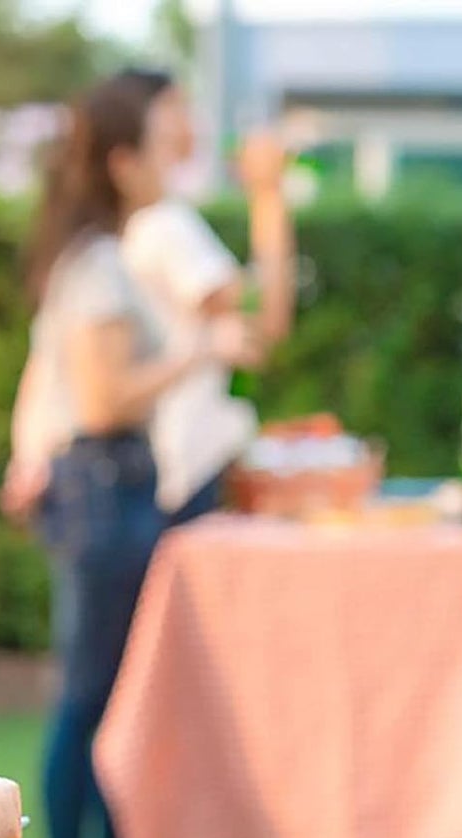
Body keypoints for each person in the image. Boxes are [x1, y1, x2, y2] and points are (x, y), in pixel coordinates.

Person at [5, 71, 258, 838]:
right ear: (120, 161)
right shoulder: (100, 264)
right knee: (87, 692)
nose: (174, 156)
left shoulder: (98, 256)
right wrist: (198, 348)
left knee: (115, 690)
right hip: (101, 487)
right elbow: (107, 397)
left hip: (115, 487)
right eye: (160, 141)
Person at [119, 76, 295, 526]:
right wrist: (268, 192)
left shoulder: (143, 223)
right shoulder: (163, 224)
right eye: (175, 106)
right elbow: (265, 318)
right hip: (189, 466)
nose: (192, 120)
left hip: (166, 464)